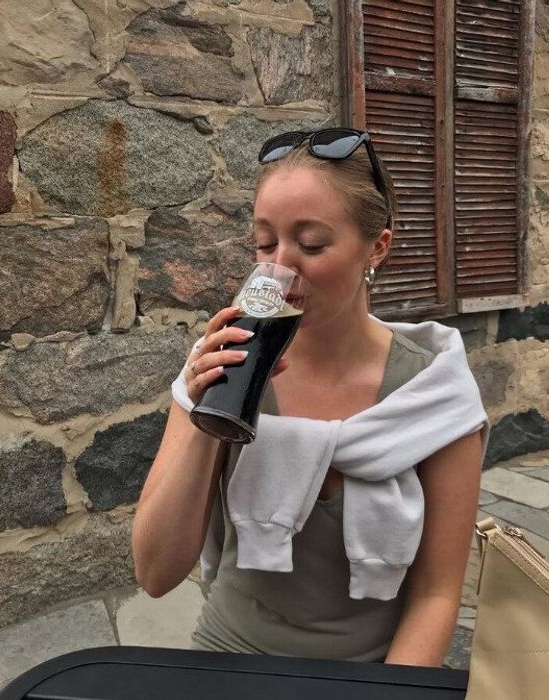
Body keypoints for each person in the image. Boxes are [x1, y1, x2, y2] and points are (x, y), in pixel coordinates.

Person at [131, 128, 487, 666]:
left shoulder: (434, 396)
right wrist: (209, 416)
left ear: (378, 247)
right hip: (231, 655)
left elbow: (437, 596)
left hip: (366, 672)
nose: (282, 266)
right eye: (265, 243)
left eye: (312, 244)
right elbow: (155, 575)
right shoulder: (220, 365)